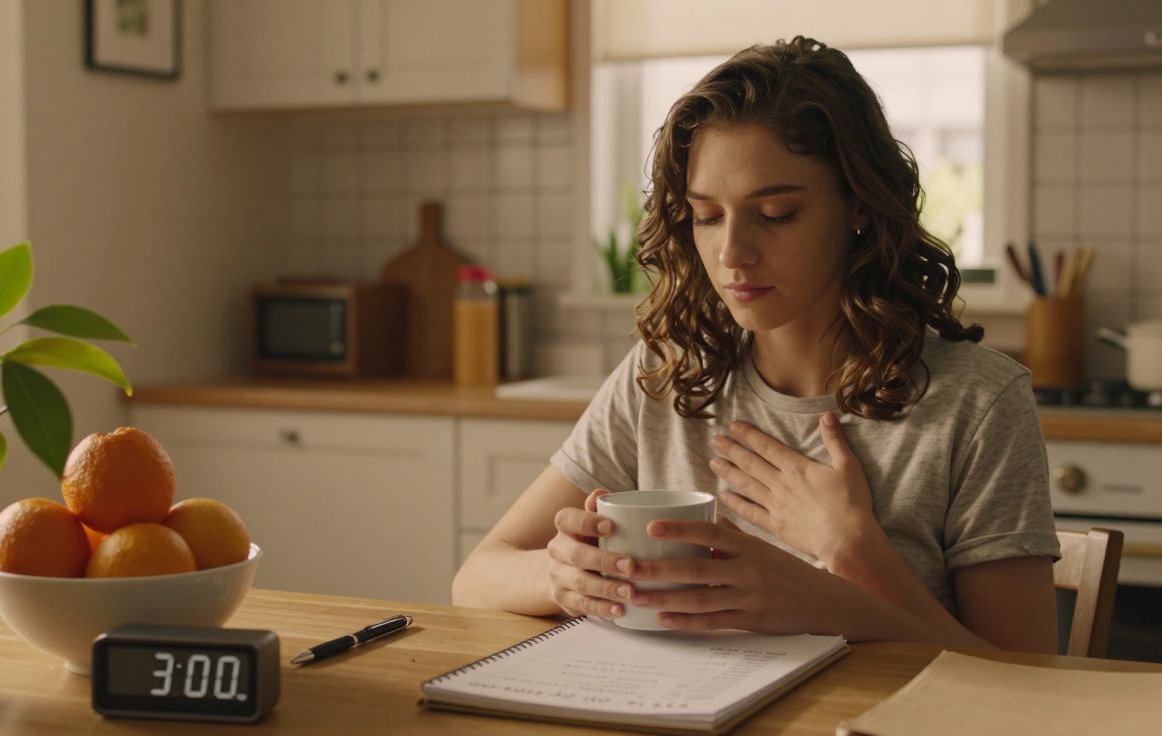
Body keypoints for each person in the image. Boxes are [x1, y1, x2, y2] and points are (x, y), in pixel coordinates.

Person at [453, 36, 1060, 653]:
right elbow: (476, 576)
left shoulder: (977, 404)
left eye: (775, 214)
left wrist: (853, 556)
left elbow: (1024, 683)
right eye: (709, 216)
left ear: (860, 207)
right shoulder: (667, 374)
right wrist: (563, 578)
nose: (732, 254)